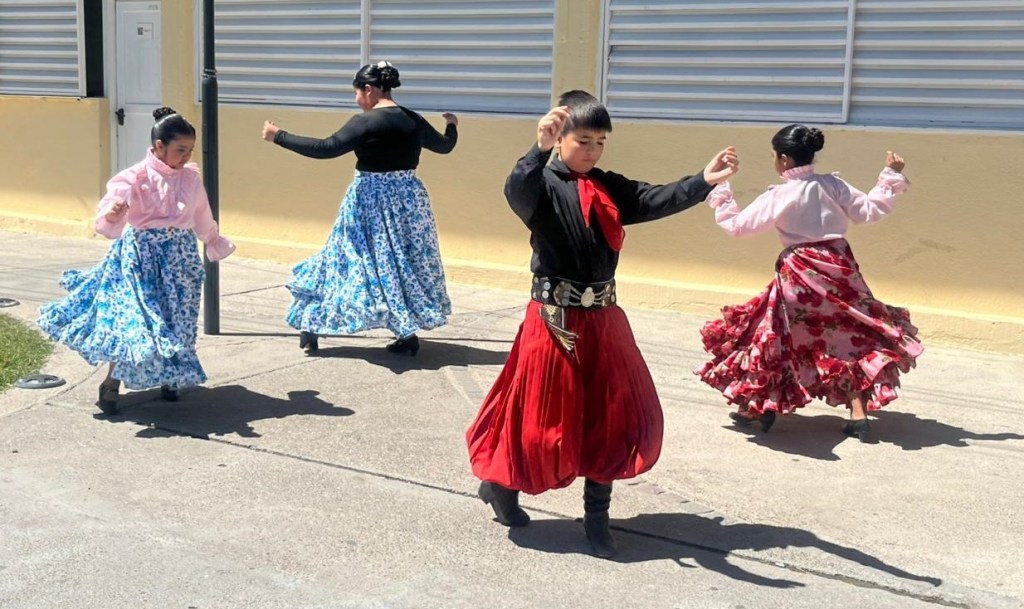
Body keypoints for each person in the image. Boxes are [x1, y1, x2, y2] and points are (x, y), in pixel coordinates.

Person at [465, 90, 738, 559]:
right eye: (582, 140)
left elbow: (653, 198)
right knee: (537, 420)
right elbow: (516, 189)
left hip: (604, 321)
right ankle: (501, 485)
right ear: (560, 136)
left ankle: (597, 519)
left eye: (600, 142)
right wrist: (537, 149)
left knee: (608, 418)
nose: (591, 151)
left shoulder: (608, 185)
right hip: (553, 322)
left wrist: (703, 181)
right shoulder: (541, 184)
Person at [694, 124, 921, 441]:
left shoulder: (780, 194)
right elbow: (869, 211)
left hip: (799, 272)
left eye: (775, 157)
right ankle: (858, 413)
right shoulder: (832, 184)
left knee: (778, 335)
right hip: (839, 265)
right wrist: (888, 177)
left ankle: (760, 406)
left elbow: (739, 226)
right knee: (849, 333)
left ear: (784, 160)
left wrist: (722, 190)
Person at [38, 107, 235, 415]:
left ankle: (172, 378)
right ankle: (112, 382)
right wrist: (113, 213)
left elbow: (201, 213)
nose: (185, 156)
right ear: (159, 146)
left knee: (178, 320)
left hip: (180, 257)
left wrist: (212, 239)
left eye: (189, 150)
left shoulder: (190, 180)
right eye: (180, 150)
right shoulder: (133, 178)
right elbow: (108, 214)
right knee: (135, 321)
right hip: (141, 257)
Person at [261, 61, 457, 356]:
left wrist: (279, 136)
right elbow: (445, 146)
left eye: (357, 93)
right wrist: (452, 125)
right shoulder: (413, 120)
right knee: (400, 266)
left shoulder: (365, 122)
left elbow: (325, 148)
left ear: (368, 89)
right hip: (408, 204)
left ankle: (312, 322)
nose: (357, 100)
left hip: (369, 201)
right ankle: (405, 334)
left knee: (345, 259)